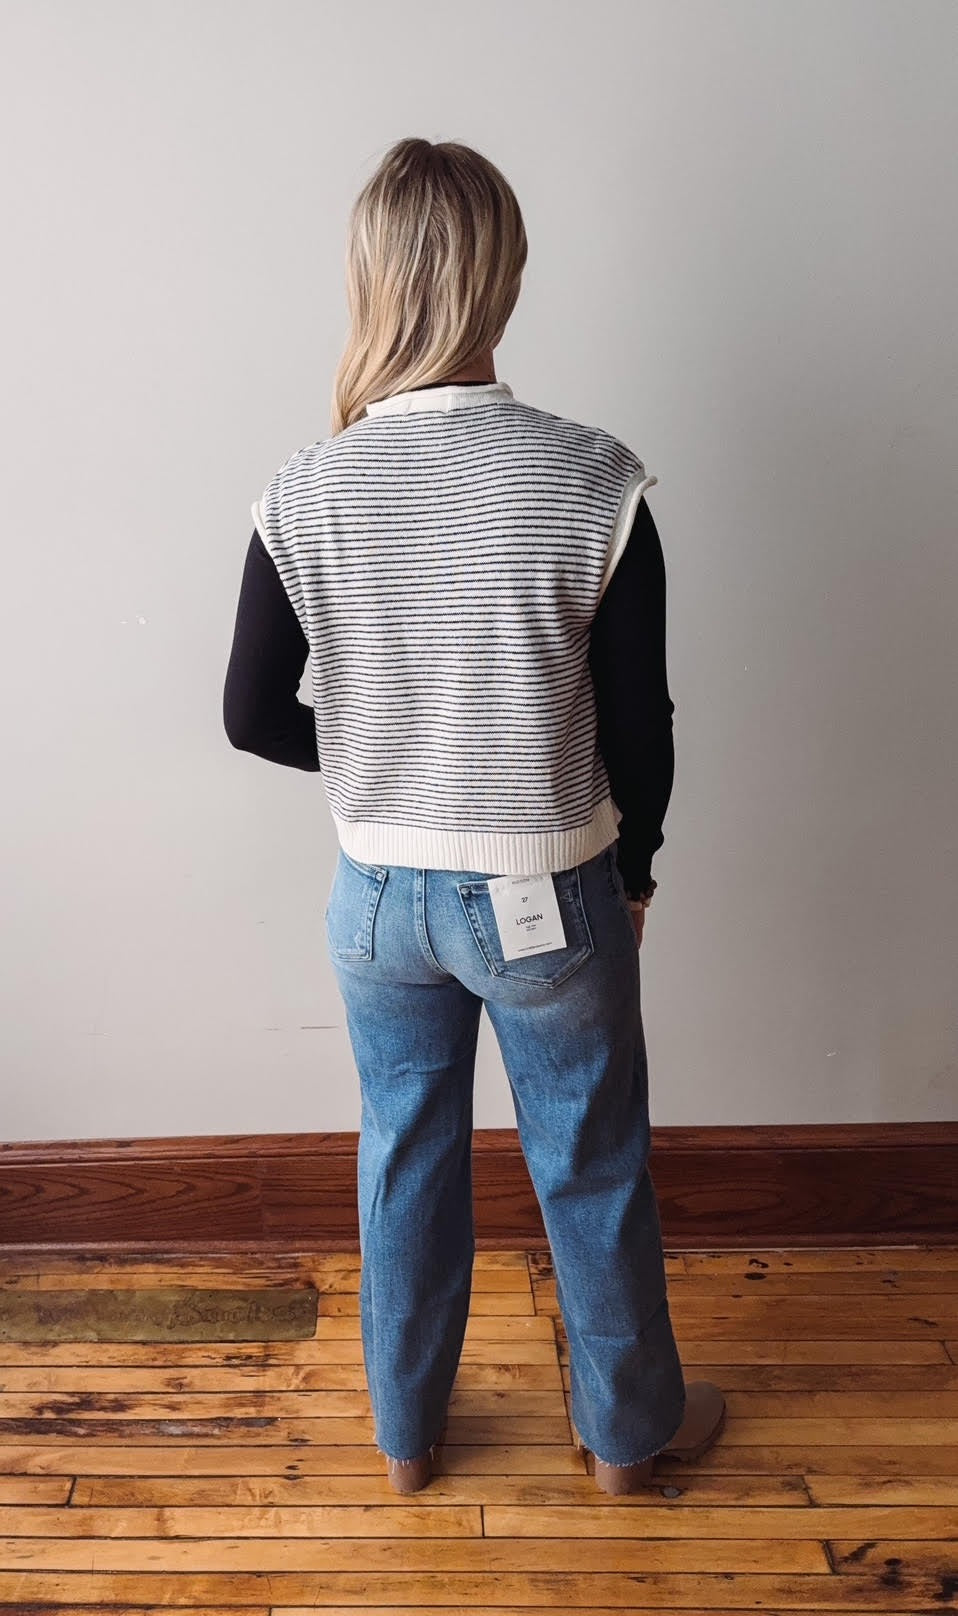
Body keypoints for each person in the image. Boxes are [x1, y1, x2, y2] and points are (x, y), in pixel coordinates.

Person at [223, 136, 725, 1496]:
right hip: (546, 888)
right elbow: (639, 724)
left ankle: (407, 1439)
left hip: (376, 897)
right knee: (591, 1161)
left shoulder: (304, 488)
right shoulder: (587, 475)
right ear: (503, 274)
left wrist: (392, 753)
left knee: (403, 1156)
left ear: (368, 279)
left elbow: (252, 715)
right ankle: (625, 1443)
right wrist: (640, 867)